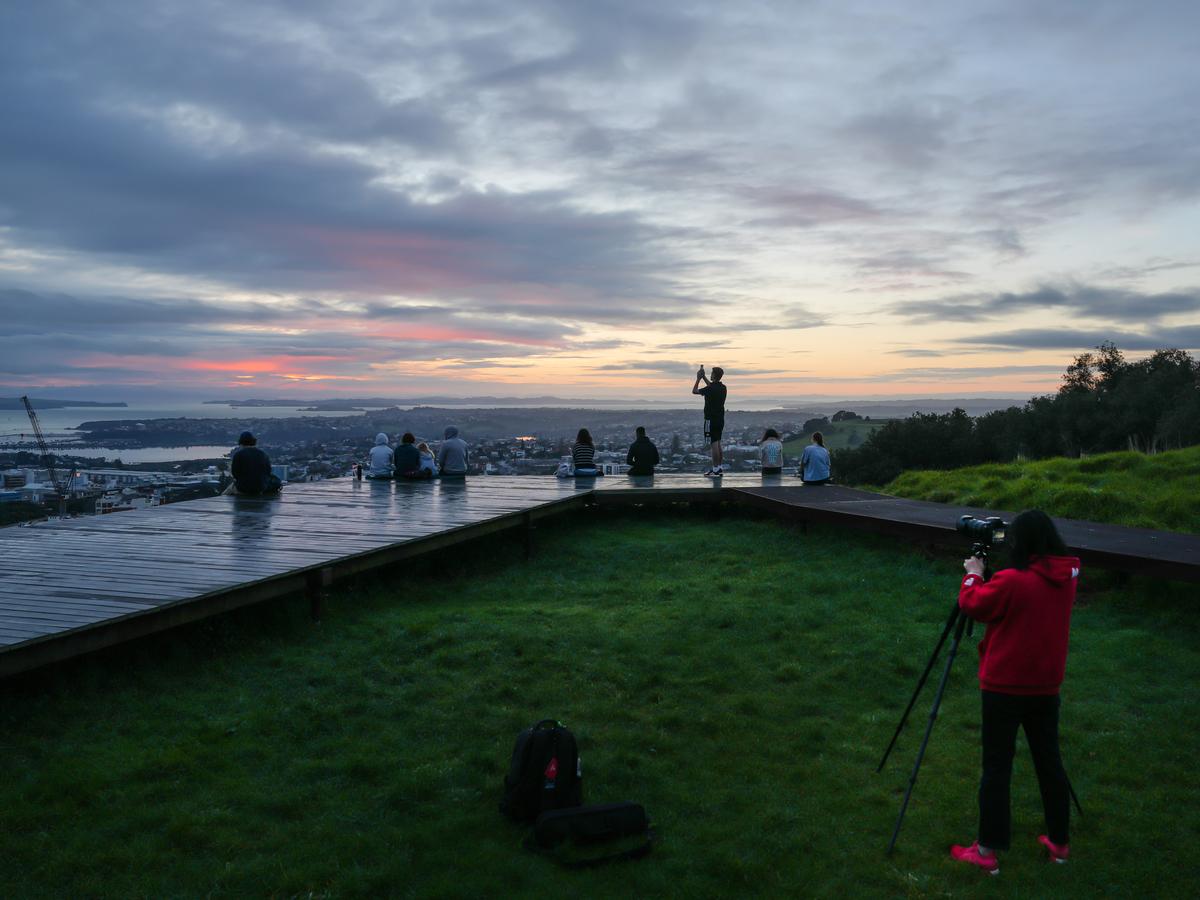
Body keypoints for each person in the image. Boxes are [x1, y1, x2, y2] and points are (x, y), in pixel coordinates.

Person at [950, 510, 1081, 875]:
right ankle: (1059, 844)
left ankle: (987, 851)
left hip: (1004, 685)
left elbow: (974, 605)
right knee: (1049, 762)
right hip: (1046, 684)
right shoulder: (1066, 576)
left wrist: (974, 576)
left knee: (996, 766)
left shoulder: (1012, 580)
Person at [691, 365, 727, 476]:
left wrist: (698, 378)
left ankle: (715, 469)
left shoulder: (710, 389)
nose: (710, 375)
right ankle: (719, 467)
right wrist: (704, 377)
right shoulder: (723, 387)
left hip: (710, 419)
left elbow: (694, 391)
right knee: (718, 443)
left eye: (711, 374)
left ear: (714, 375)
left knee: (714, 444)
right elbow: (712, 387)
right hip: (720, 419)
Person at [228, 431, 281, 496]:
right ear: (254, 442)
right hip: (261, 488)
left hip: (243, 489)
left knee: (228, 490)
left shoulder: (238, 455)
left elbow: (235, 474)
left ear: (241, 443)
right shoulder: (263, 454)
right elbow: (268, 472)